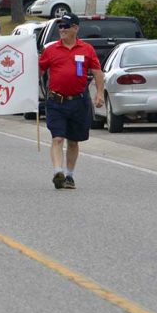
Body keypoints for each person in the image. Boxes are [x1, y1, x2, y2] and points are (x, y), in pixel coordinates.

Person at [38, 13, 104, 190]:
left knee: (73, 141)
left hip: (78, 101)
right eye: (60, 27)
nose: (62, 30)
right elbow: (40, 70)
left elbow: (97, 72)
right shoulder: (51, 50)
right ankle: (57, 172)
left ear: (75, 28)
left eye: (65, 26)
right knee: (58, 138)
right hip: (56, 101)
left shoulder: (86, 49)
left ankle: (69, 175)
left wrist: (99, 93)